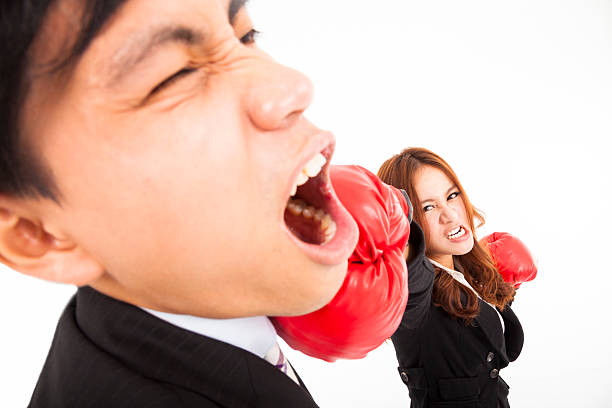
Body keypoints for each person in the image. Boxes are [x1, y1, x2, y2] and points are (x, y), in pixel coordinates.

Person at [0, 1, 410, 407]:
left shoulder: (169, 302)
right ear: (38, 234)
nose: (293, 84)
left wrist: (413, 250)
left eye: (245, 35)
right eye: (174, 75)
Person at [378, 147, 536, 408]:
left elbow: (488, 344)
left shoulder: (463, 271)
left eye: (452, 195)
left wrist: (501, 286)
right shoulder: (410, 290)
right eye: (428, 207)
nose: (450, 215)